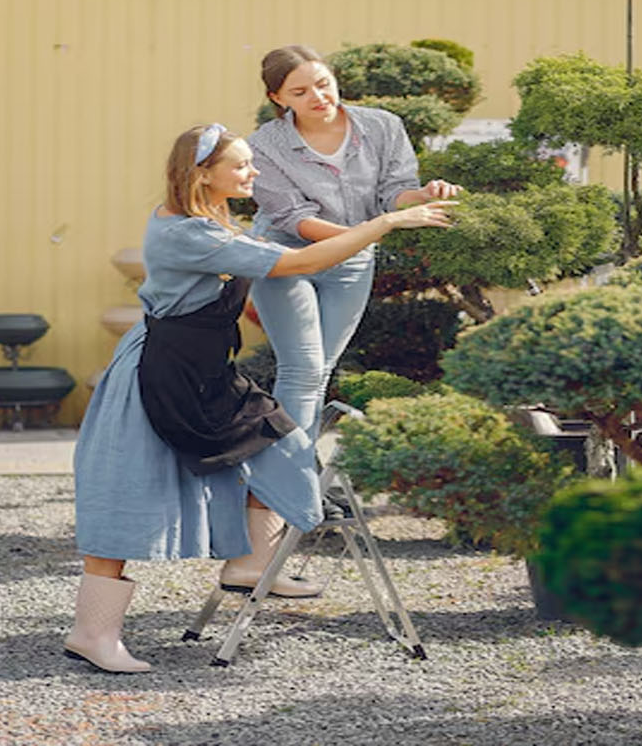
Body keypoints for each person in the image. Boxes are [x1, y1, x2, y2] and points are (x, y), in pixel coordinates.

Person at [66, 123, 454, 673]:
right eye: (243, 166)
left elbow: (276, 250)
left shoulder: (204, 218)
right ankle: (92, 634)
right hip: (156, 375)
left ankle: (249, 563)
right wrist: (387, 221)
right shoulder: (190, 234)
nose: (254, 173)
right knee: (130, 495)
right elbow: (302, 262)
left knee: (270, 433)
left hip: (194, 371)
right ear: (203, 174)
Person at [246, 45, 463, 451]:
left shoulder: (382, 126)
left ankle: (299, 475)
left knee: (322, 369)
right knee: (301, 369)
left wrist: (421, 195)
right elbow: (296, 219)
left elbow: (393, 192)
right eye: (300, 92)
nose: (318, 97)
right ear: (277, 98)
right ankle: (289, 485)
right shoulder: (263, 145)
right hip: (287, 258)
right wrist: (370, 231)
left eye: (324, 84)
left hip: (352, 261)